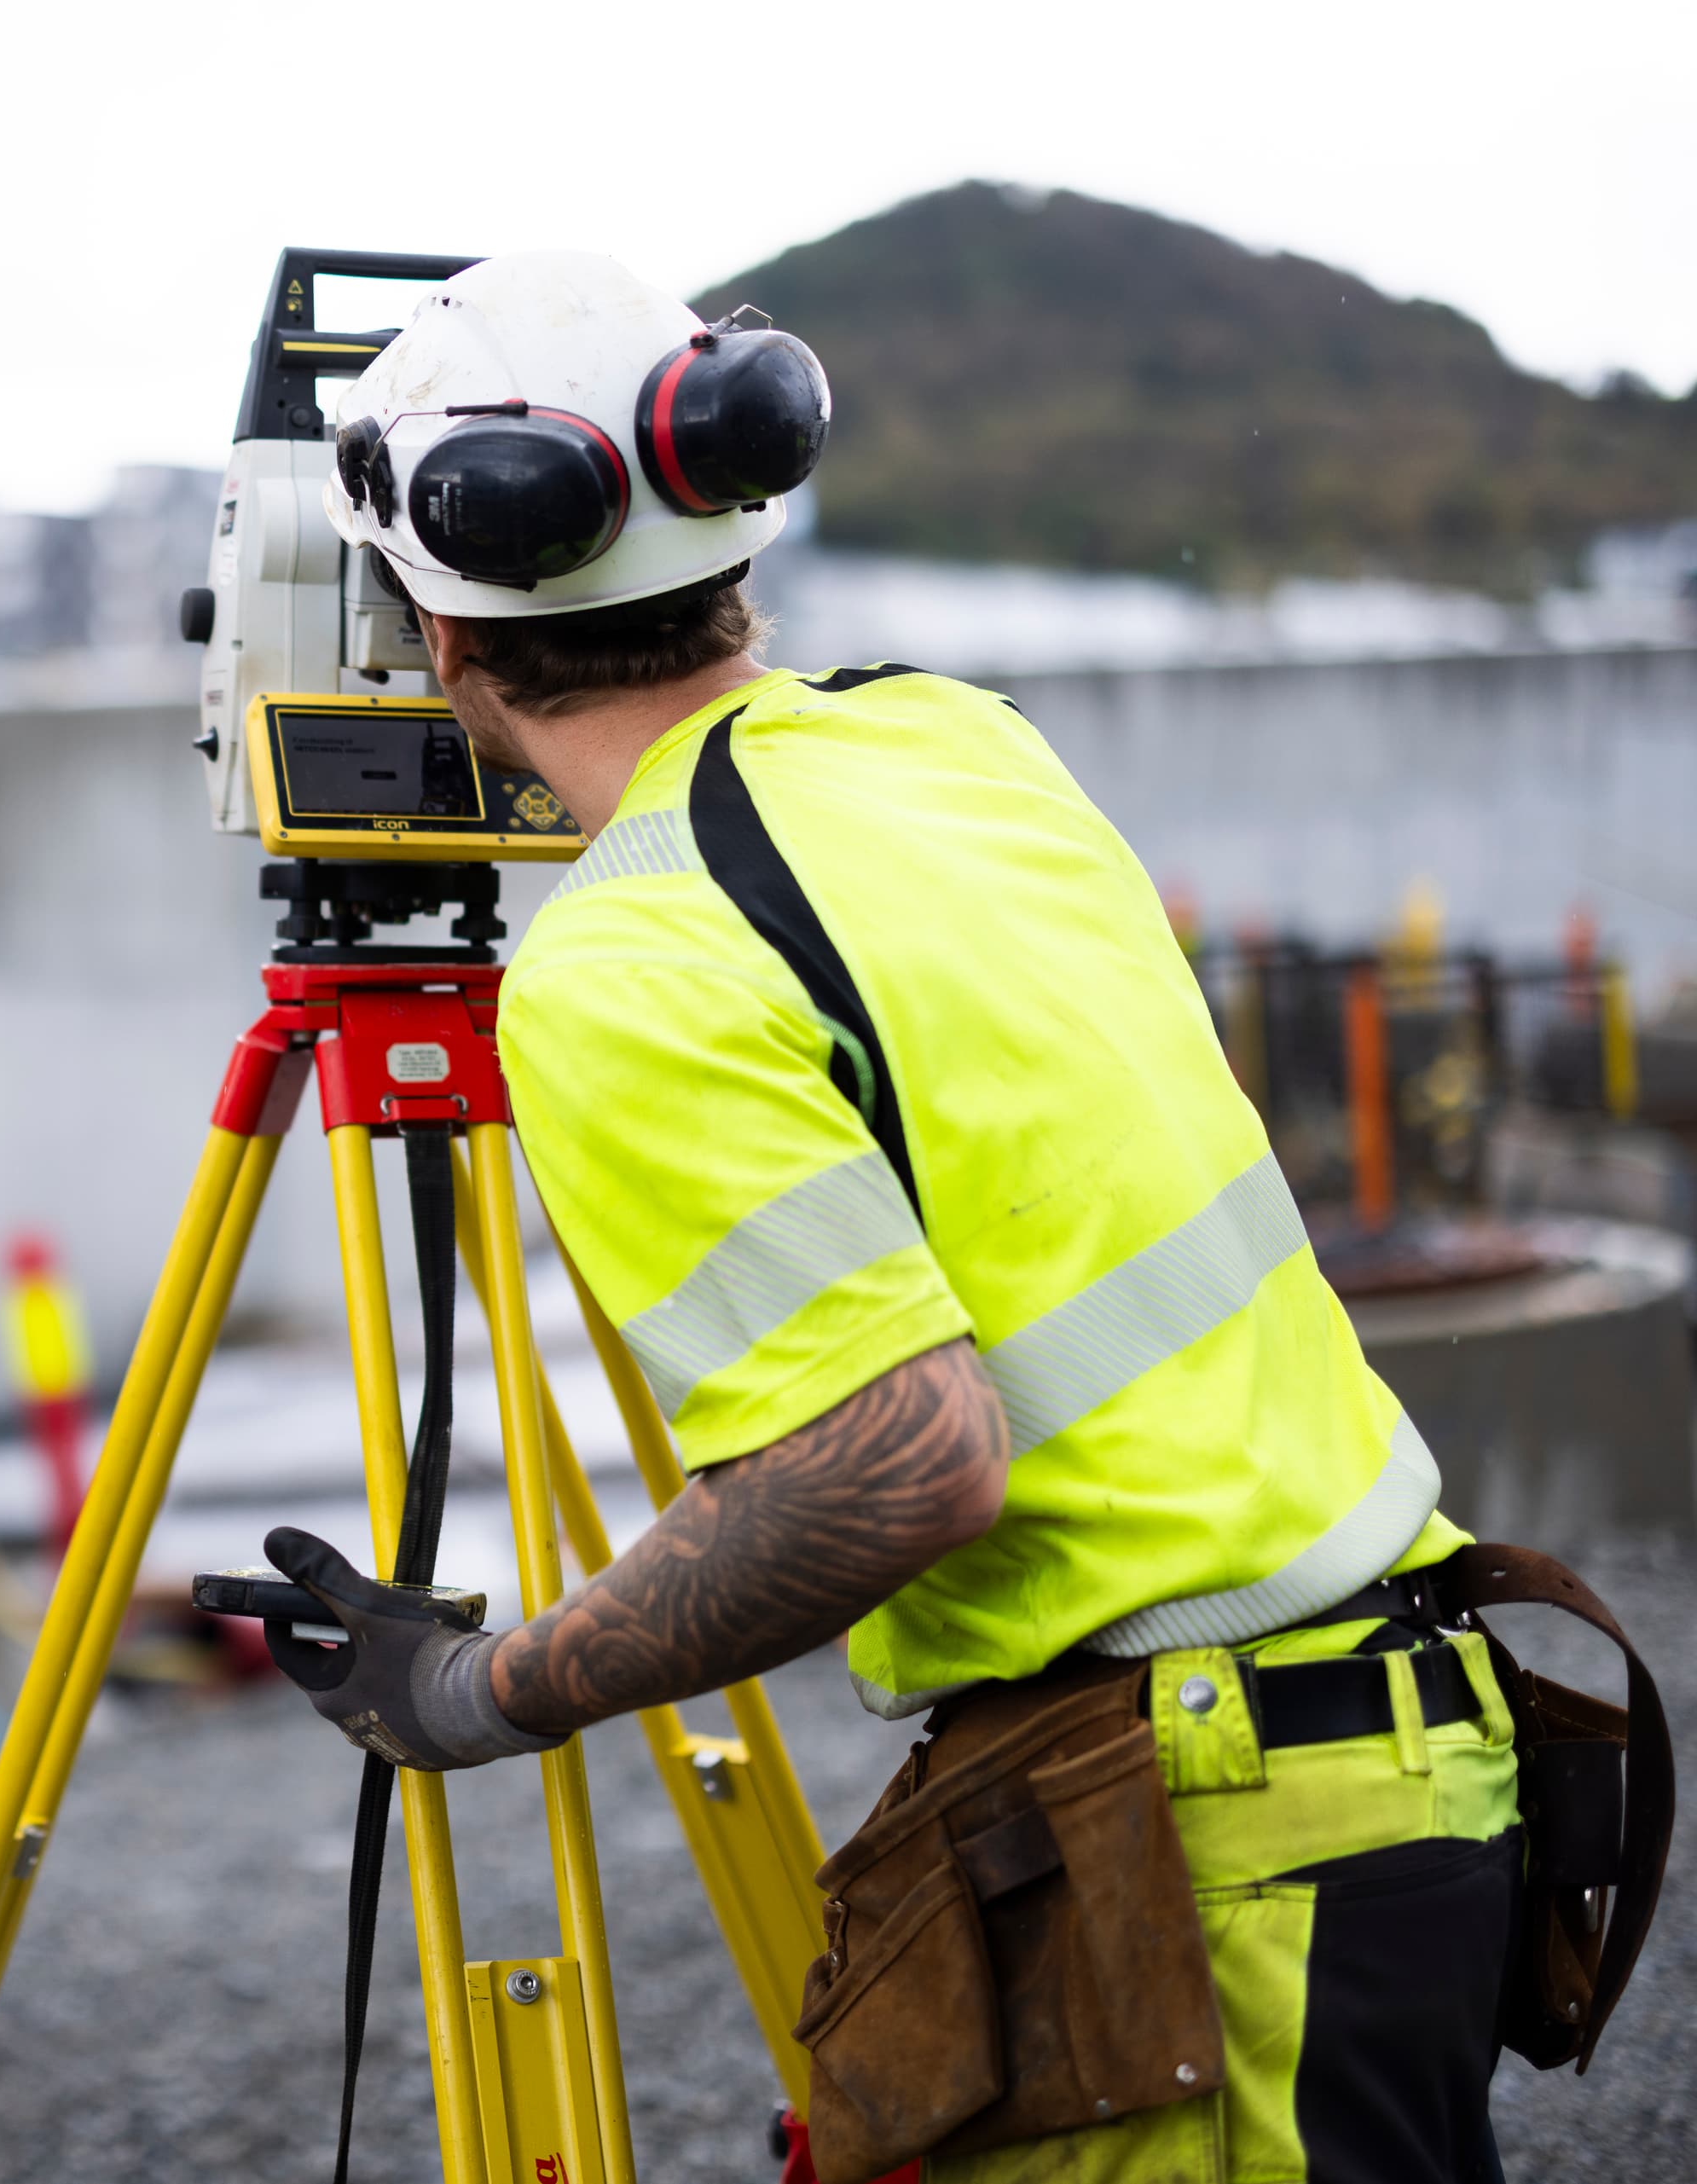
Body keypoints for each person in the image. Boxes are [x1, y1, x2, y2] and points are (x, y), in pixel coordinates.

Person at [265, 252, 1520, 2183]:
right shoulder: (956, 741)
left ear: (432, 627)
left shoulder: (633, 961)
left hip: (1206, 1827)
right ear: (739, 509)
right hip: (1416, 1742)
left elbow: (903, 1463)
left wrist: (474, 1689)